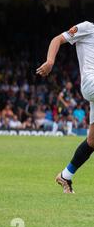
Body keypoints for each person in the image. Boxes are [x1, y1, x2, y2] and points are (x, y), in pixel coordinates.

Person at [37, 21, 94, 193]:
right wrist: (50, 61)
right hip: (90, 82)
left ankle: (65, 176)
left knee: (92, 141)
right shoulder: (88, 27)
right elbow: (57, 39)